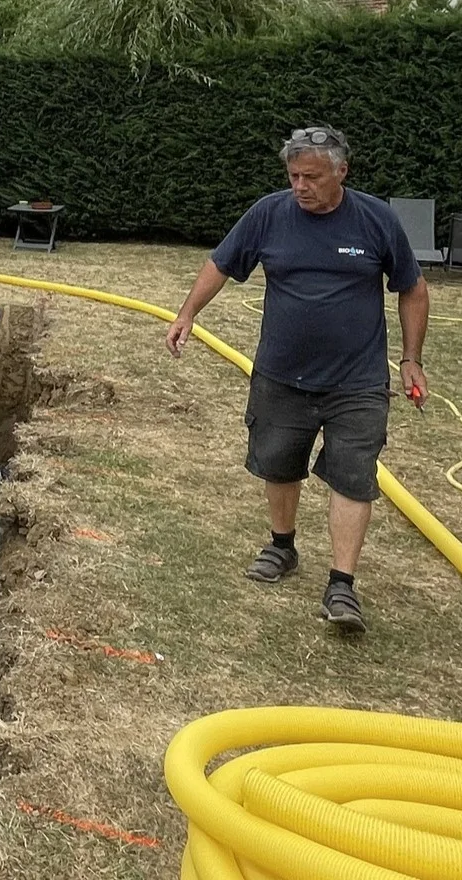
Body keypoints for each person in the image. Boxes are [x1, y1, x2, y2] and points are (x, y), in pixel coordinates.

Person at [164, 126, 429, 633]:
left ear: (341, 172)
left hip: (358, 381)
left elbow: (413, 289)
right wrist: (187, 313)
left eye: (312, 176)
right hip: (282, 375)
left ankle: (342, 585)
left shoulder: (376, 220)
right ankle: (282, 547)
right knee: (280, 464)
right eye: (294, 176)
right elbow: (220, 263)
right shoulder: (269, 213)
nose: (301, 186)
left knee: (353, 475)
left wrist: (411, 359)